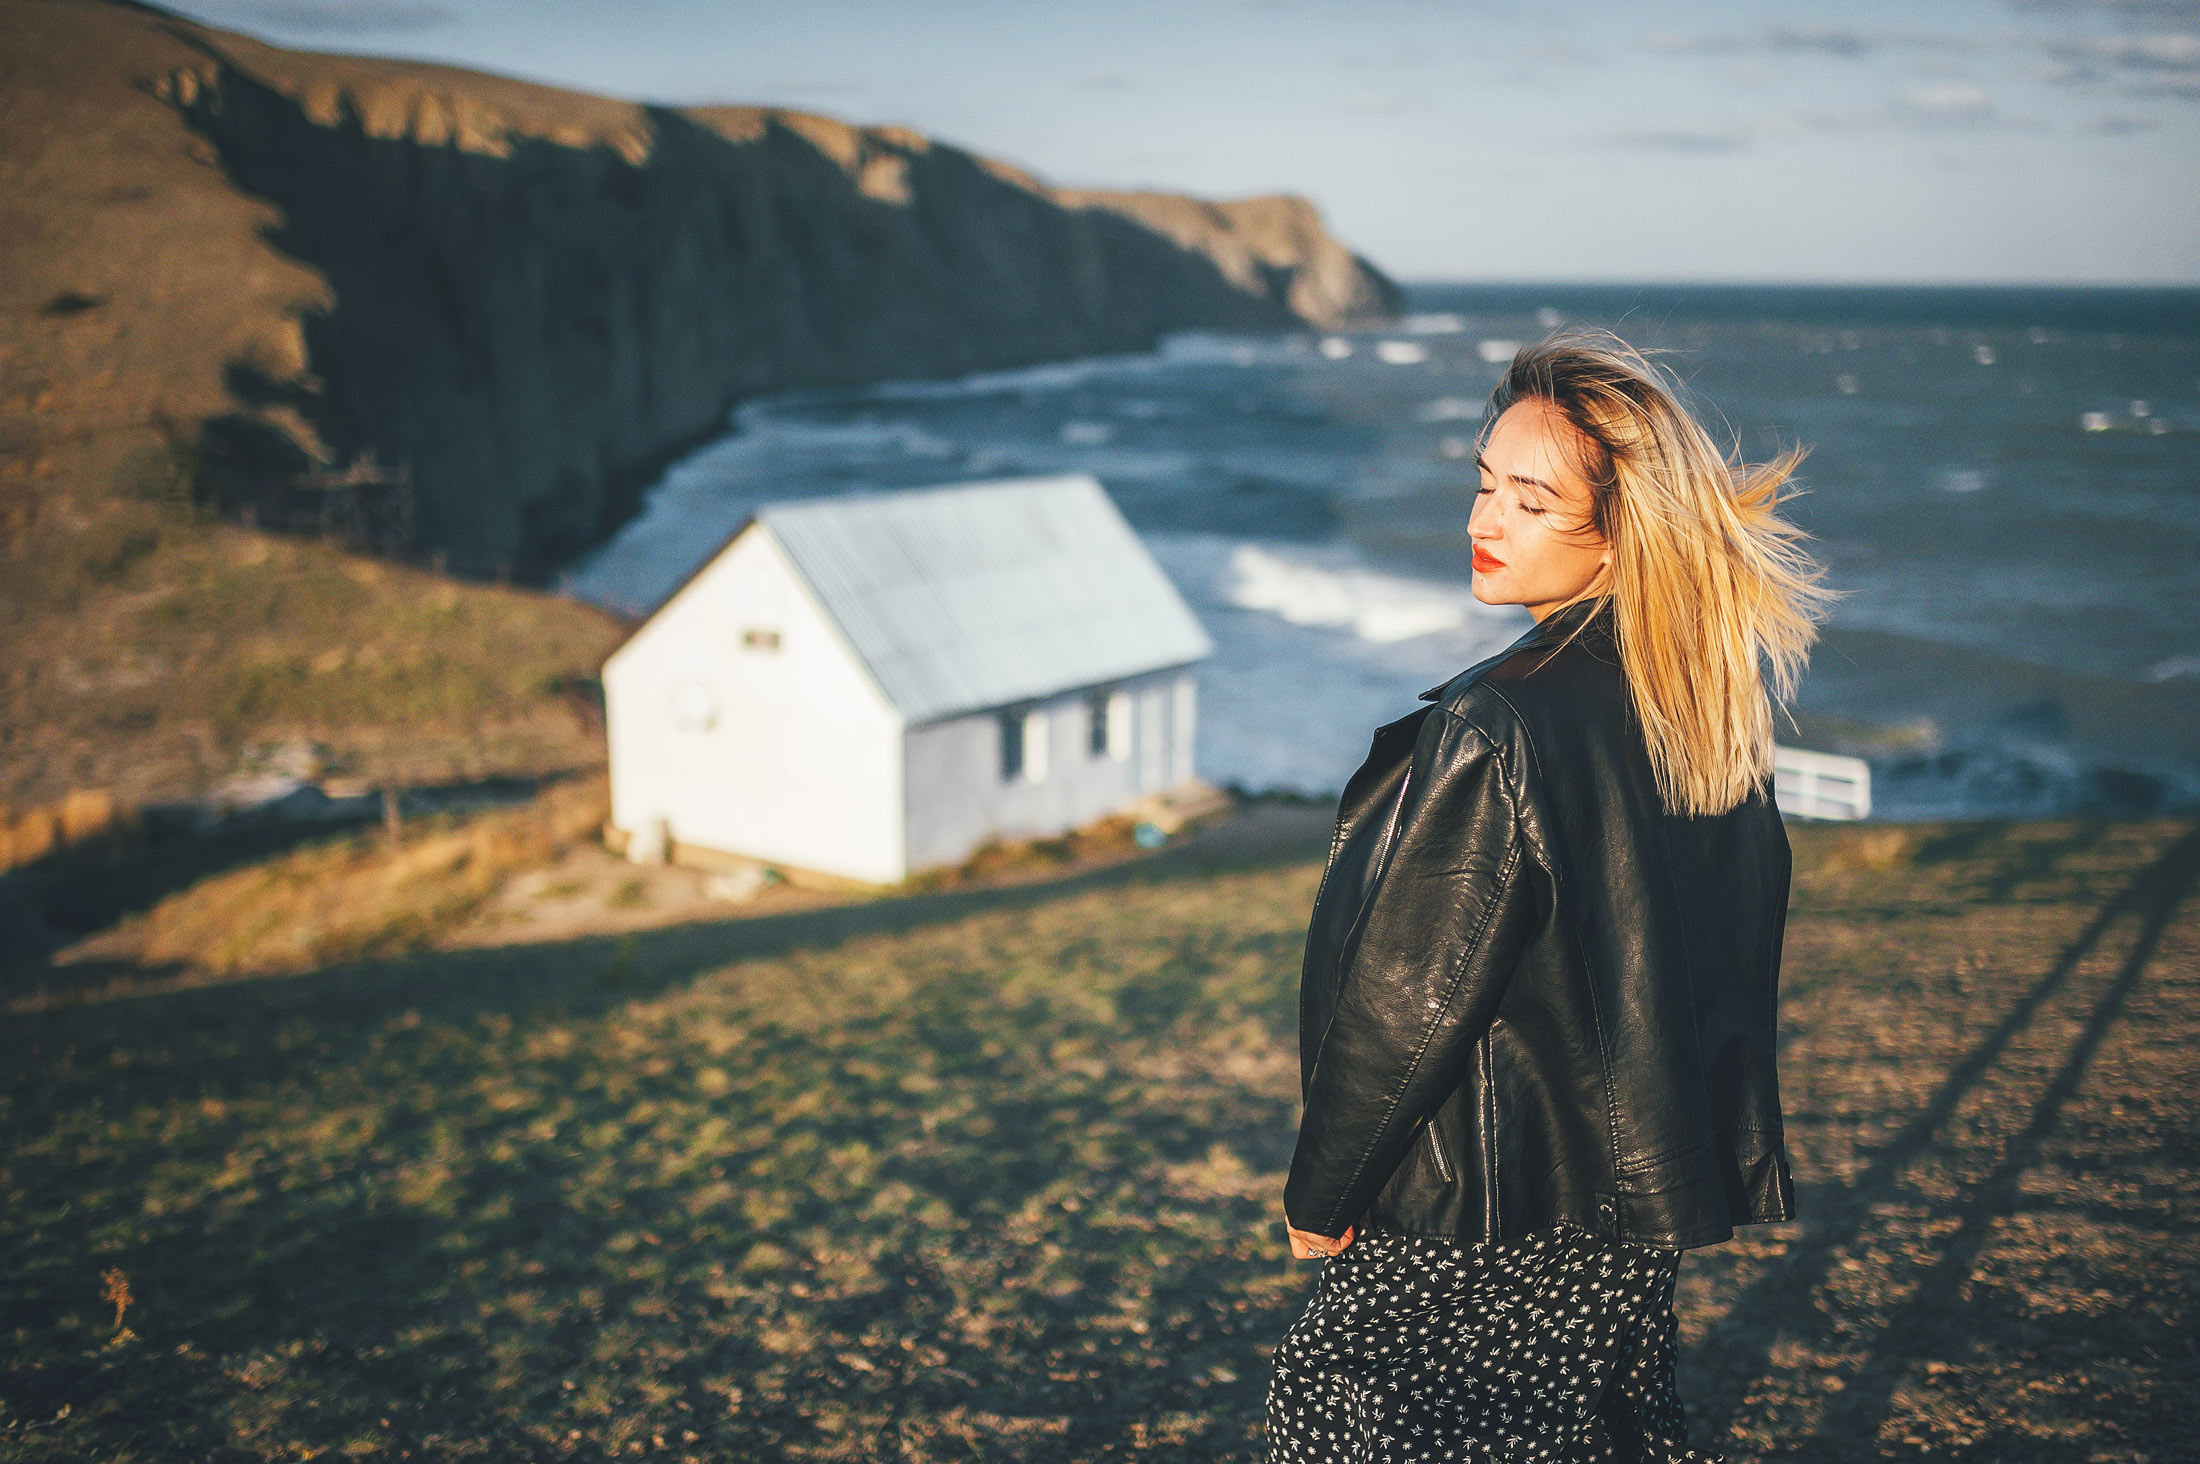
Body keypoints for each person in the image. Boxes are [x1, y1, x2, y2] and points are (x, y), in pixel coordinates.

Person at [1264, 327, 1834, 1463]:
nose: (1482, 523)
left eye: (1528, 501)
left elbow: (1408, 1002)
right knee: (1597, 1427)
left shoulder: (1500, 724)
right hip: (1626, 1205)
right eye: (1483, 485)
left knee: (1329, 1406)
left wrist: (1321, 1194)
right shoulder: (1703, 704)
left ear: (1621, 533)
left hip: (1486, 1196)